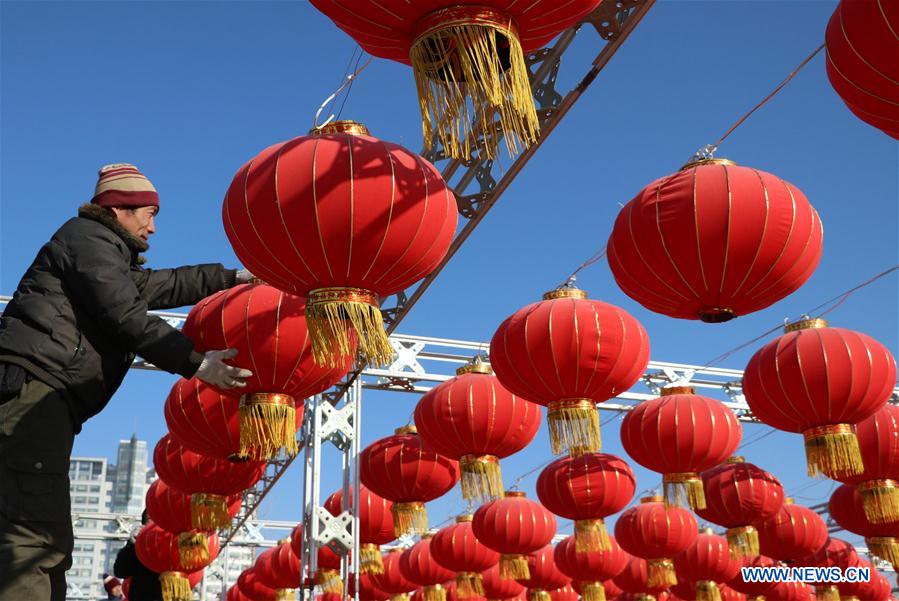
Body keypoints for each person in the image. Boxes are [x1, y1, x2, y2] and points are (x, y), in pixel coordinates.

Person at [0, 163, 254, 601]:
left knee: (48, 537)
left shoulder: (102, 252)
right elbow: (126, 315)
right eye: (149, 213)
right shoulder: (86, 240)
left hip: (46, 399)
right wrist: (196, 364)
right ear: (118, 208)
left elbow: (167, 284)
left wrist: (233, 278)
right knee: (33, 534)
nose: (153, 228)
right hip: (35, 392)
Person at [113, 511, 160, 601]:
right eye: (150, 519)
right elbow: (120, 571)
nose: (155, 523)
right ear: (143, 525)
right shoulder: (136, 546)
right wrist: (131, 544)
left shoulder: (173, 541)